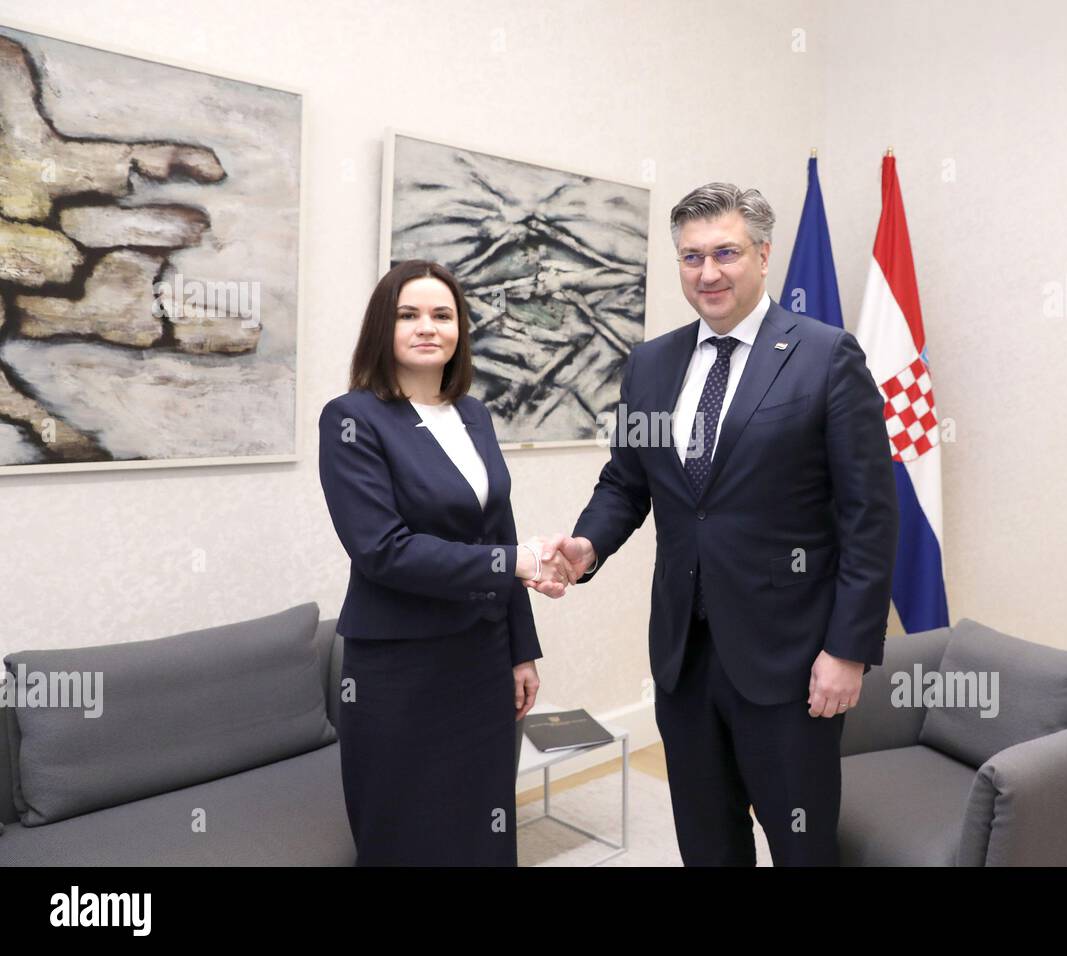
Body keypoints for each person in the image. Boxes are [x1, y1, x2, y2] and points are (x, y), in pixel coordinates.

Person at [530, 183, 898, 866]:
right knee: (706, 838)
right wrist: (585, 546)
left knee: (801, 844)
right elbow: (627, 480)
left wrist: (848, 650)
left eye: (725, 252)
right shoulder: (651, 363)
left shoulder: (825, 356)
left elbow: (870, 517)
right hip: (683, 654)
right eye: (691, 257)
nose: (708, 272)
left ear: (763, 254)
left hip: (790, 659)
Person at [318, 260, 573, 866]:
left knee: (482, 824)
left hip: (480, 661)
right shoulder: (352, 418)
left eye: (442, 314)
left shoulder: (475, 415)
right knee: (406, 831)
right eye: (408, 315)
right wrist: (514, 562)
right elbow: (384, 551)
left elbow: (496, 526)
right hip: (400, 668)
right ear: (384, 327)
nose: (427, 327)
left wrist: (520, 649)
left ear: (460, 328)